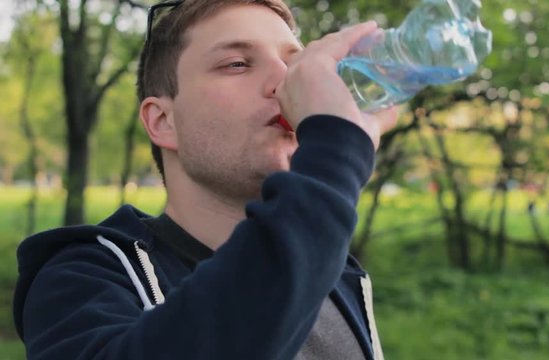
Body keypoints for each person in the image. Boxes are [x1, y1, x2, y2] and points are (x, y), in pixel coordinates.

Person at [13, 0, 398, 358]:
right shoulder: (81, 282)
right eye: (237, 64)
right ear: (164, 121)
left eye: (294, 65)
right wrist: (335, 150)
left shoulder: (337, 276)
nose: (285, 84)